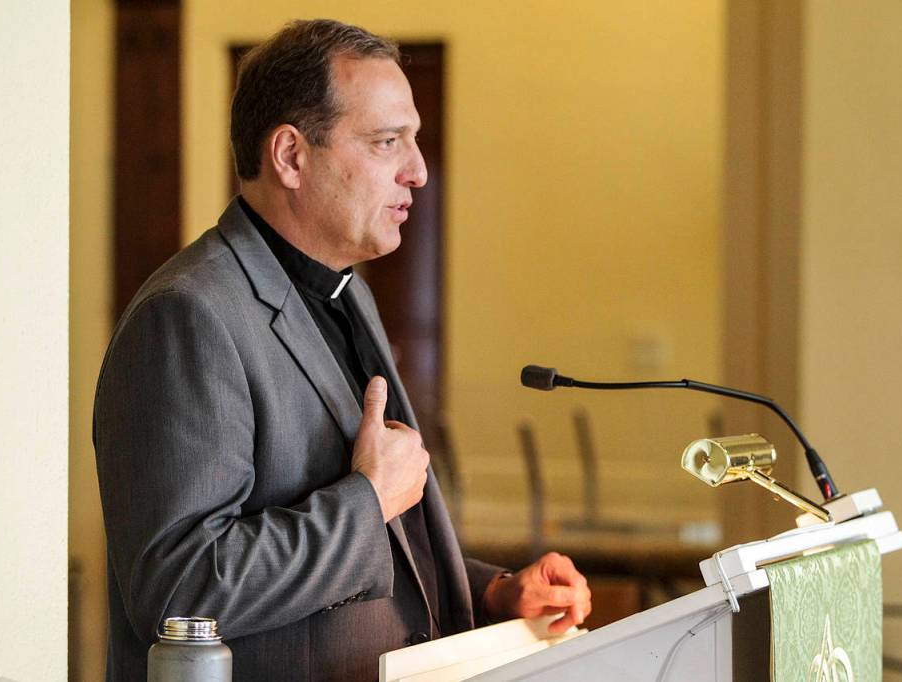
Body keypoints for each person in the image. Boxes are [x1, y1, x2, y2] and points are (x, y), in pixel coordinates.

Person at [94, 18, 591, 682]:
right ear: (292, 156)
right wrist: (366, 499)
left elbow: (377, 550)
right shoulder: (187, 316)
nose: (417, 171)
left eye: (413, 141)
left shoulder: (347, 291)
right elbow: (180, 594)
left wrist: (496, 591)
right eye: (388, 142)